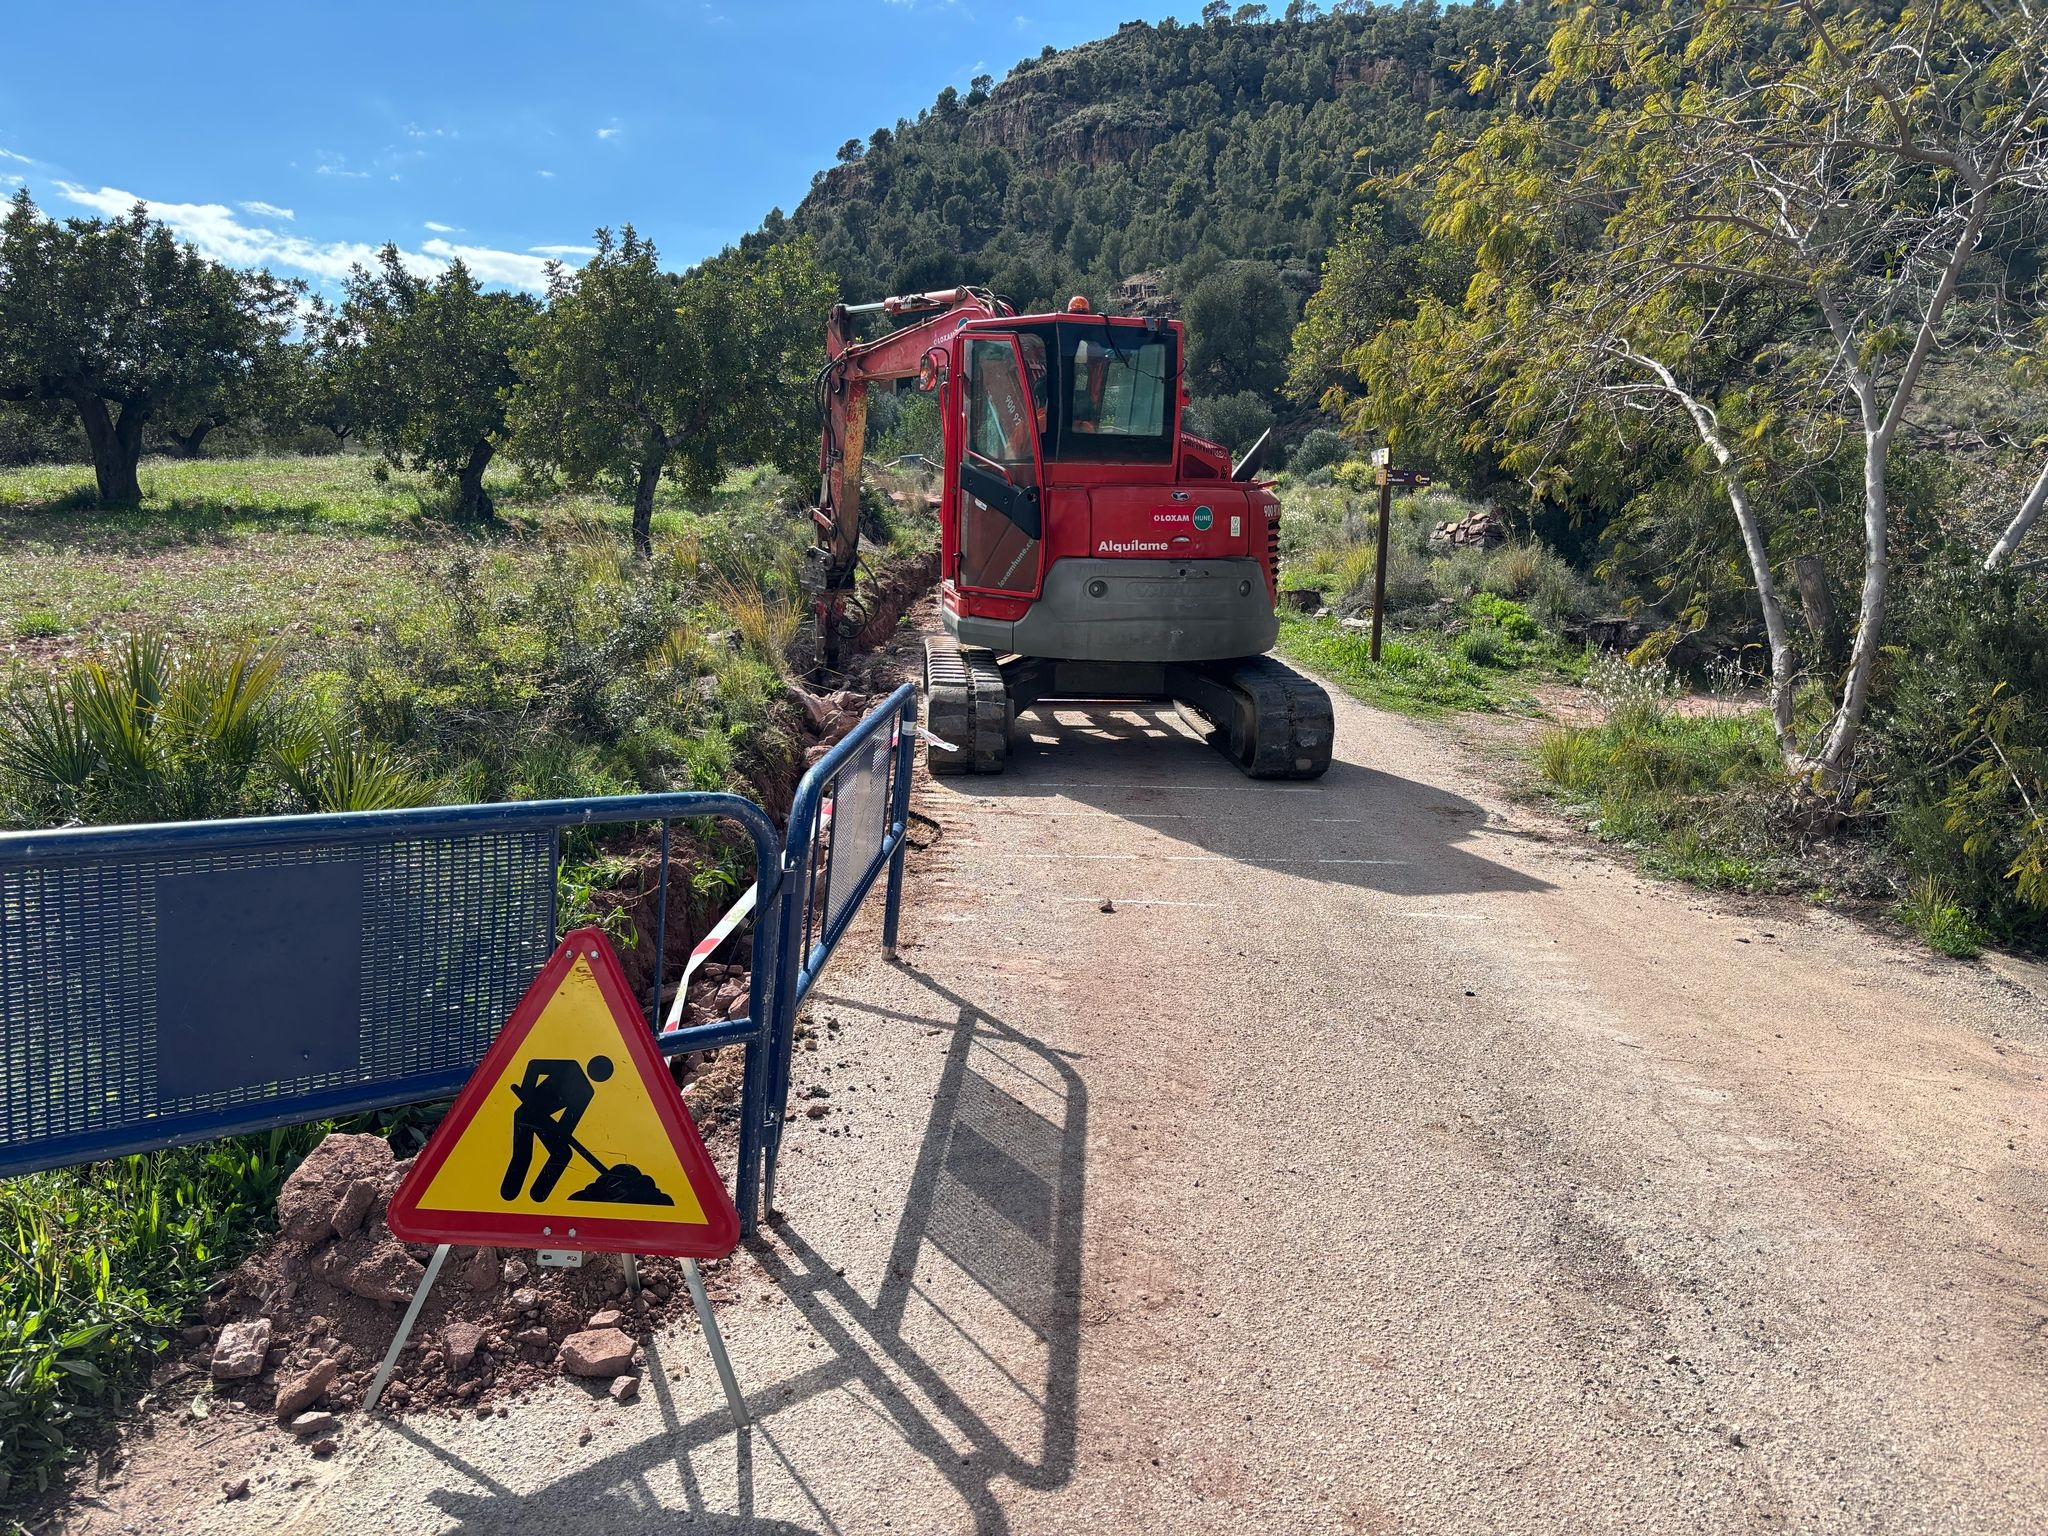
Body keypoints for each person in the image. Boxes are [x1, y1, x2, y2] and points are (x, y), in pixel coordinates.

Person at [500, 1054, 613, 1202]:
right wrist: (528, 1093)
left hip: (542, 1120)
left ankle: (538, 1194)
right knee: (523, 1154)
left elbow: (566, 1125)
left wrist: (558, 1132)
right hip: (524, 1114)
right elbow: (534, 1066)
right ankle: (509, 1192)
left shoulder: (586, 1092)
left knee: (563, 1153)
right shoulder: (570, 1067)